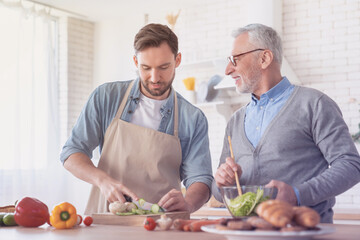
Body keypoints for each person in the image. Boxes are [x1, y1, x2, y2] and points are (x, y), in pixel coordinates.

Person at [212, 23, 360, 223]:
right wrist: (222, 183)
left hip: (304, 232)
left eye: (235, 59)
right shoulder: (235, 121)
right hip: (248, 233)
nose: (228, 69)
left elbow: (351, 165)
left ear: (264, 58)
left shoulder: (314, 104)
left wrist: (298, 195)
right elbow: (219, 192)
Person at [60, 23, 213, 214]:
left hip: (161, 225)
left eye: (164, 67)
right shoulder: (106, 97)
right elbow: (71, 153)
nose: (155, 77)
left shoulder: (193, 118)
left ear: (178, 60)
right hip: (107, 218)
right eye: (146, 68)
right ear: (135, 62)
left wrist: (188, 203)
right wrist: (102, 180)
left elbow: (201, 178)